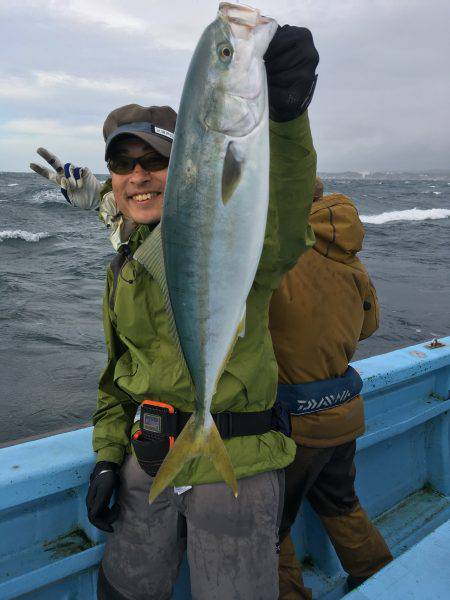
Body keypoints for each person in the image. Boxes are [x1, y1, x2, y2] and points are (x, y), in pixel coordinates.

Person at [30, 25, 318, 599]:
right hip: (147, 463)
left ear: (186, 162)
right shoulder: (127, 263)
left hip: (235, 468)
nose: (138, 174)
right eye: (123, 163)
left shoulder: (237, 242)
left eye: (155, 160)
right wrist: (109, 456)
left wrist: (285, 120)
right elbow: (117, 378)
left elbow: (279, 214)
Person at [269, 178, 393, 599]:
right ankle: (377, 576)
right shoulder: (351, 259)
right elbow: (370, 325)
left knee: (271, 527)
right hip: (341, 416)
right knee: (342, 502)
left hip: (293, 425)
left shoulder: (279, 257)